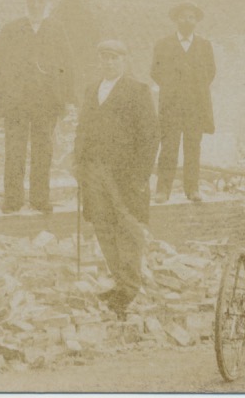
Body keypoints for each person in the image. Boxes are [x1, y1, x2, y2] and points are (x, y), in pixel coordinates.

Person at [74, 39, 160, 317]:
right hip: (93, 170)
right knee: (103, 226)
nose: (109, 62)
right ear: (99, 60)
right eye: (105, 57)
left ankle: (130, 288)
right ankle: (120, 283)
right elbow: (83, 128)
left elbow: (150, 136)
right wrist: (78, 162)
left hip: (124, 175)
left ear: (125, 60)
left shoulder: (137, 90)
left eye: (115, 57)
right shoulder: (92, 90)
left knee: (128, 229)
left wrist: (141, 176)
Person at [0, 0, 73, 214]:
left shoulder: (57, 30)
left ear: (47, 3)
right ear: (25, 2)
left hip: (46, 102)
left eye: (40, 0)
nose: (36, 4)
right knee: (14, 150)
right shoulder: (11, 29)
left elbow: (67, 65)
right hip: (16, 102)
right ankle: (13, 199)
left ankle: (39, 199)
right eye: (31, 0)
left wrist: (65, 98)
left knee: (43, 151)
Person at [151, 1, 215, 203]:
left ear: (196, 21)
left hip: (195, 107)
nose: (187, 20)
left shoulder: (204, 45)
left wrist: (194, 90)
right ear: (175, 20)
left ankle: (192, 189)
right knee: (168, 147)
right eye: (182, 17)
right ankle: (163, 190)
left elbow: (211, 72)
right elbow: (155, 72)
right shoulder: (163, 44)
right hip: (171, 106)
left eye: (191, 17)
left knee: (193, 148)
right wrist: (173, 88)